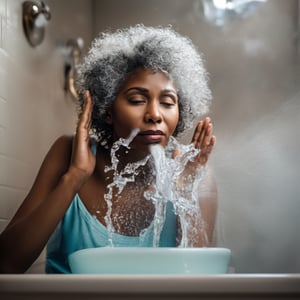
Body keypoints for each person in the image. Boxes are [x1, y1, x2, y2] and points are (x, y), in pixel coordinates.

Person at [0, 24, 217, 273]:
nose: (155, 115)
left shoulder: (193, 173)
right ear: (107, 110)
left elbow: (200, 280)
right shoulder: (66, 154)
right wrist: (74, 177)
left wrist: (187, 195)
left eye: (168, 102)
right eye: (137, 100)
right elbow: (6, 265)